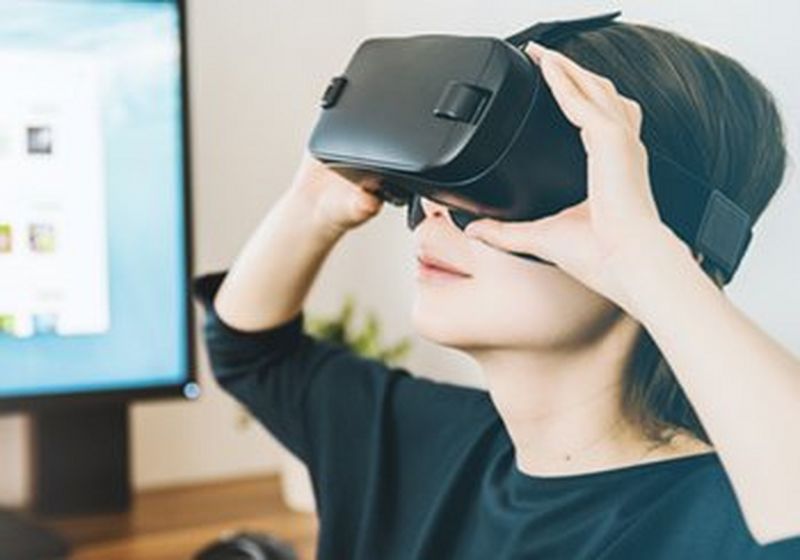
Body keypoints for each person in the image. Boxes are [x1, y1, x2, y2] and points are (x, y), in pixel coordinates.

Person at [192, 20, 800, 559]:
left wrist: (646, 261)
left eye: (494, 187)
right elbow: (251, 354)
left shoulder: (725, 524)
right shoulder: (417, 442)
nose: (435, 211)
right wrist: (314, 204)